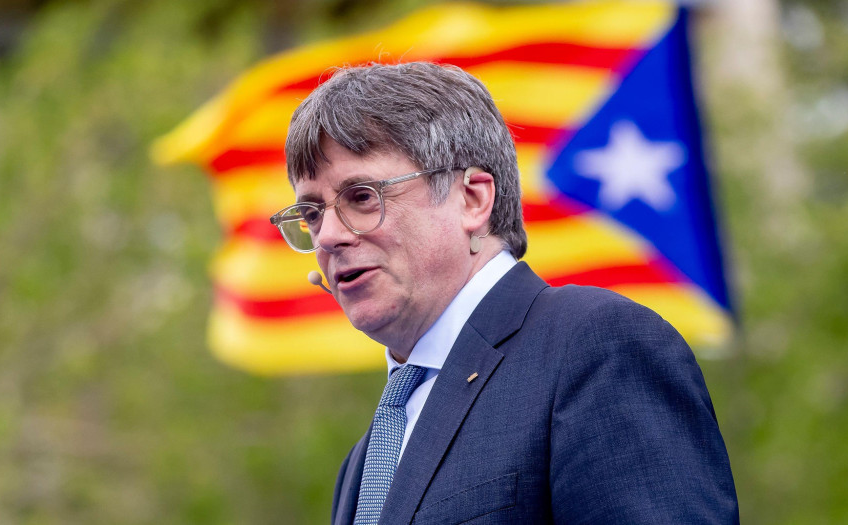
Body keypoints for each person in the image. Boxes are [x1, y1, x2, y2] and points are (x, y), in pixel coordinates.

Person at [269, 62, 739, 524]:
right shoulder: (365, 460)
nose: (328, 235)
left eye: (362, 196)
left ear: (472, 198)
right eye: (311, 213)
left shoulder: (595, 345)